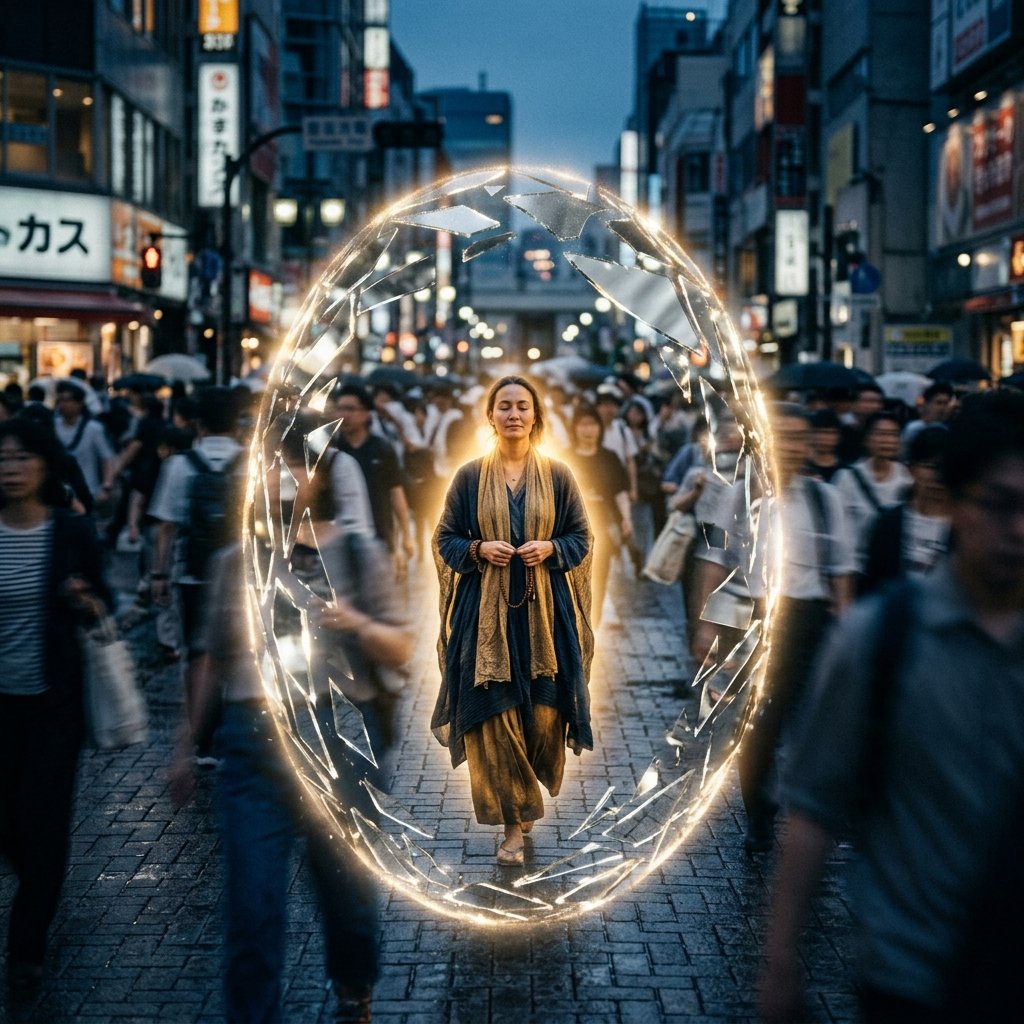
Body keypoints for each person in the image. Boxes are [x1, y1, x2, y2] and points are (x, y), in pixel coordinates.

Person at [759, 390, 1024, 1024]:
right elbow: (815, 806)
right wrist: (781, 954)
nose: (1018, 530)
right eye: (999, 504)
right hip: (909, 975)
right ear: (953, 502)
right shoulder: (883, 639)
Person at [171, 411, 411, 1024]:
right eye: (272, 463)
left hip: (340, 741)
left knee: (348, 896)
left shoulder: (358, 552)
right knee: (253, 906)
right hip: (253, 743)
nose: (283, 474)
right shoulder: (236, 560)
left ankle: (355, 985)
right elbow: (210, 657)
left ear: (321, 475)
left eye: (297, 463)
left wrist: (353, 620)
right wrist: (184, 746)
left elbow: (404, 648)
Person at [431, 375, 594, 866]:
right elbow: (444, 539)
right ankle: (512, 827)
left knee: (543, 716)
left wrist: (551, 547)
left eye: (523, 406)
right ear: (491, 416)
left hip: (547, 618)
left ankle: (522, 805)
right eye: (504, 406)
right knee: (495, 718)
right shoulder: (468, 477)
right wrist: (478, 549)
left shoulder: (560, 476)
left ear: (536, 415)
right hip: (484, 621)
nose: (514, 414)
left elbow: (581, 538)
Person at [691, 404, 855, 853]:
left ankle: (812, 810)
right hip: (755, 619)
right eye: (781, 436)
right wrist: (706, 628)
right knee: (758, 725)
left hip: (809, 621)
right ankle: (760, 817)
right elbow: (713, 561)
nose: (790, 446)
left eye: (799, 437)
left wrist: (846, 628)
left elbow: (840, 570)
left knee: (814, 722)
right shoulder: (737, 494)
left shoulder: (826, 499)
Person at [0, 418, 109, 994]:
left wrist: (84, 599)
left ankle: (27, 946)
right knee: (8, 825)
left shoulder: (69, 530)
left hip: (52, 707)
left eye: (21, 458)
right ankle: (36, 889)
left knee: (42, 826)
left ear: (43, 464)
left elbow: (103, 602)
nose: (11, 469)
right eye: (2, 459)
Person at [329, 382, 415, 564]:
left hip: (380, 540)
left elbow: (396, 492)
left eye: (351, 409)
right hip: (340, 545)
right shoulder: (330, 450)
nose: (344, 415)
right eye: (340, 409)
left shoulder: (382, 449)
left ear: (367, 413)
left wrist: (407, 535)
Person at [861, 426, 950, 594]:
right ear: (911, 469)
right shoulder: (889, 522)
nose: (938, 476)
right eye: (930, 466)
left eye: (947, 467)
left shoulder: (965, 528)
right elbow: (872, 585)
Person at [567, 403, 632, 627]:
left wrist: (626, 518)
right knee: (570, 580)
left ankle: (591, 627)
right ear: (574, 428)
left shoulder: (609, 457)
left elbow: (620, 491)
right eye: (583, 424)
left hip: (602, 527)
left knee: (599, 577)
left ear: (599, 427)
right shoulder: (564, 458)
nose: (588, 429)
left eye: (592, 424)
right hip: (569, 528)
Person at [834, 410, 913, 577]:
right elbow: (840, 531)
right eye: (881, 434)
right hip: (857, 571)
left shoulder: (907, 479)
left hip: (893, 571)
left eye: (893, 435)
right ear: (867, 438)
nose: (888, 441)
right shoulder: (847, 479)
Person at [52, 380, 116, 503]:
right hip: (59, 494)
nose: (63, 405)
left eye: (67, 400)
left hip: (87, 492)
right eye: (60, 400)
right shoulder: (53, 426)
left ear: (79, 403)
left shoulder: (93, 429)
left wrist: (107, 486)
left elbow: (107, 458)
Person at [900, 379, 954, 458]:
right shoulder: (914, 429)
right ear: (927, 404)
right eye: (939, 403)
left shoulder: (949, 429)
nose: (943, 408)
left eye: (946, 403)